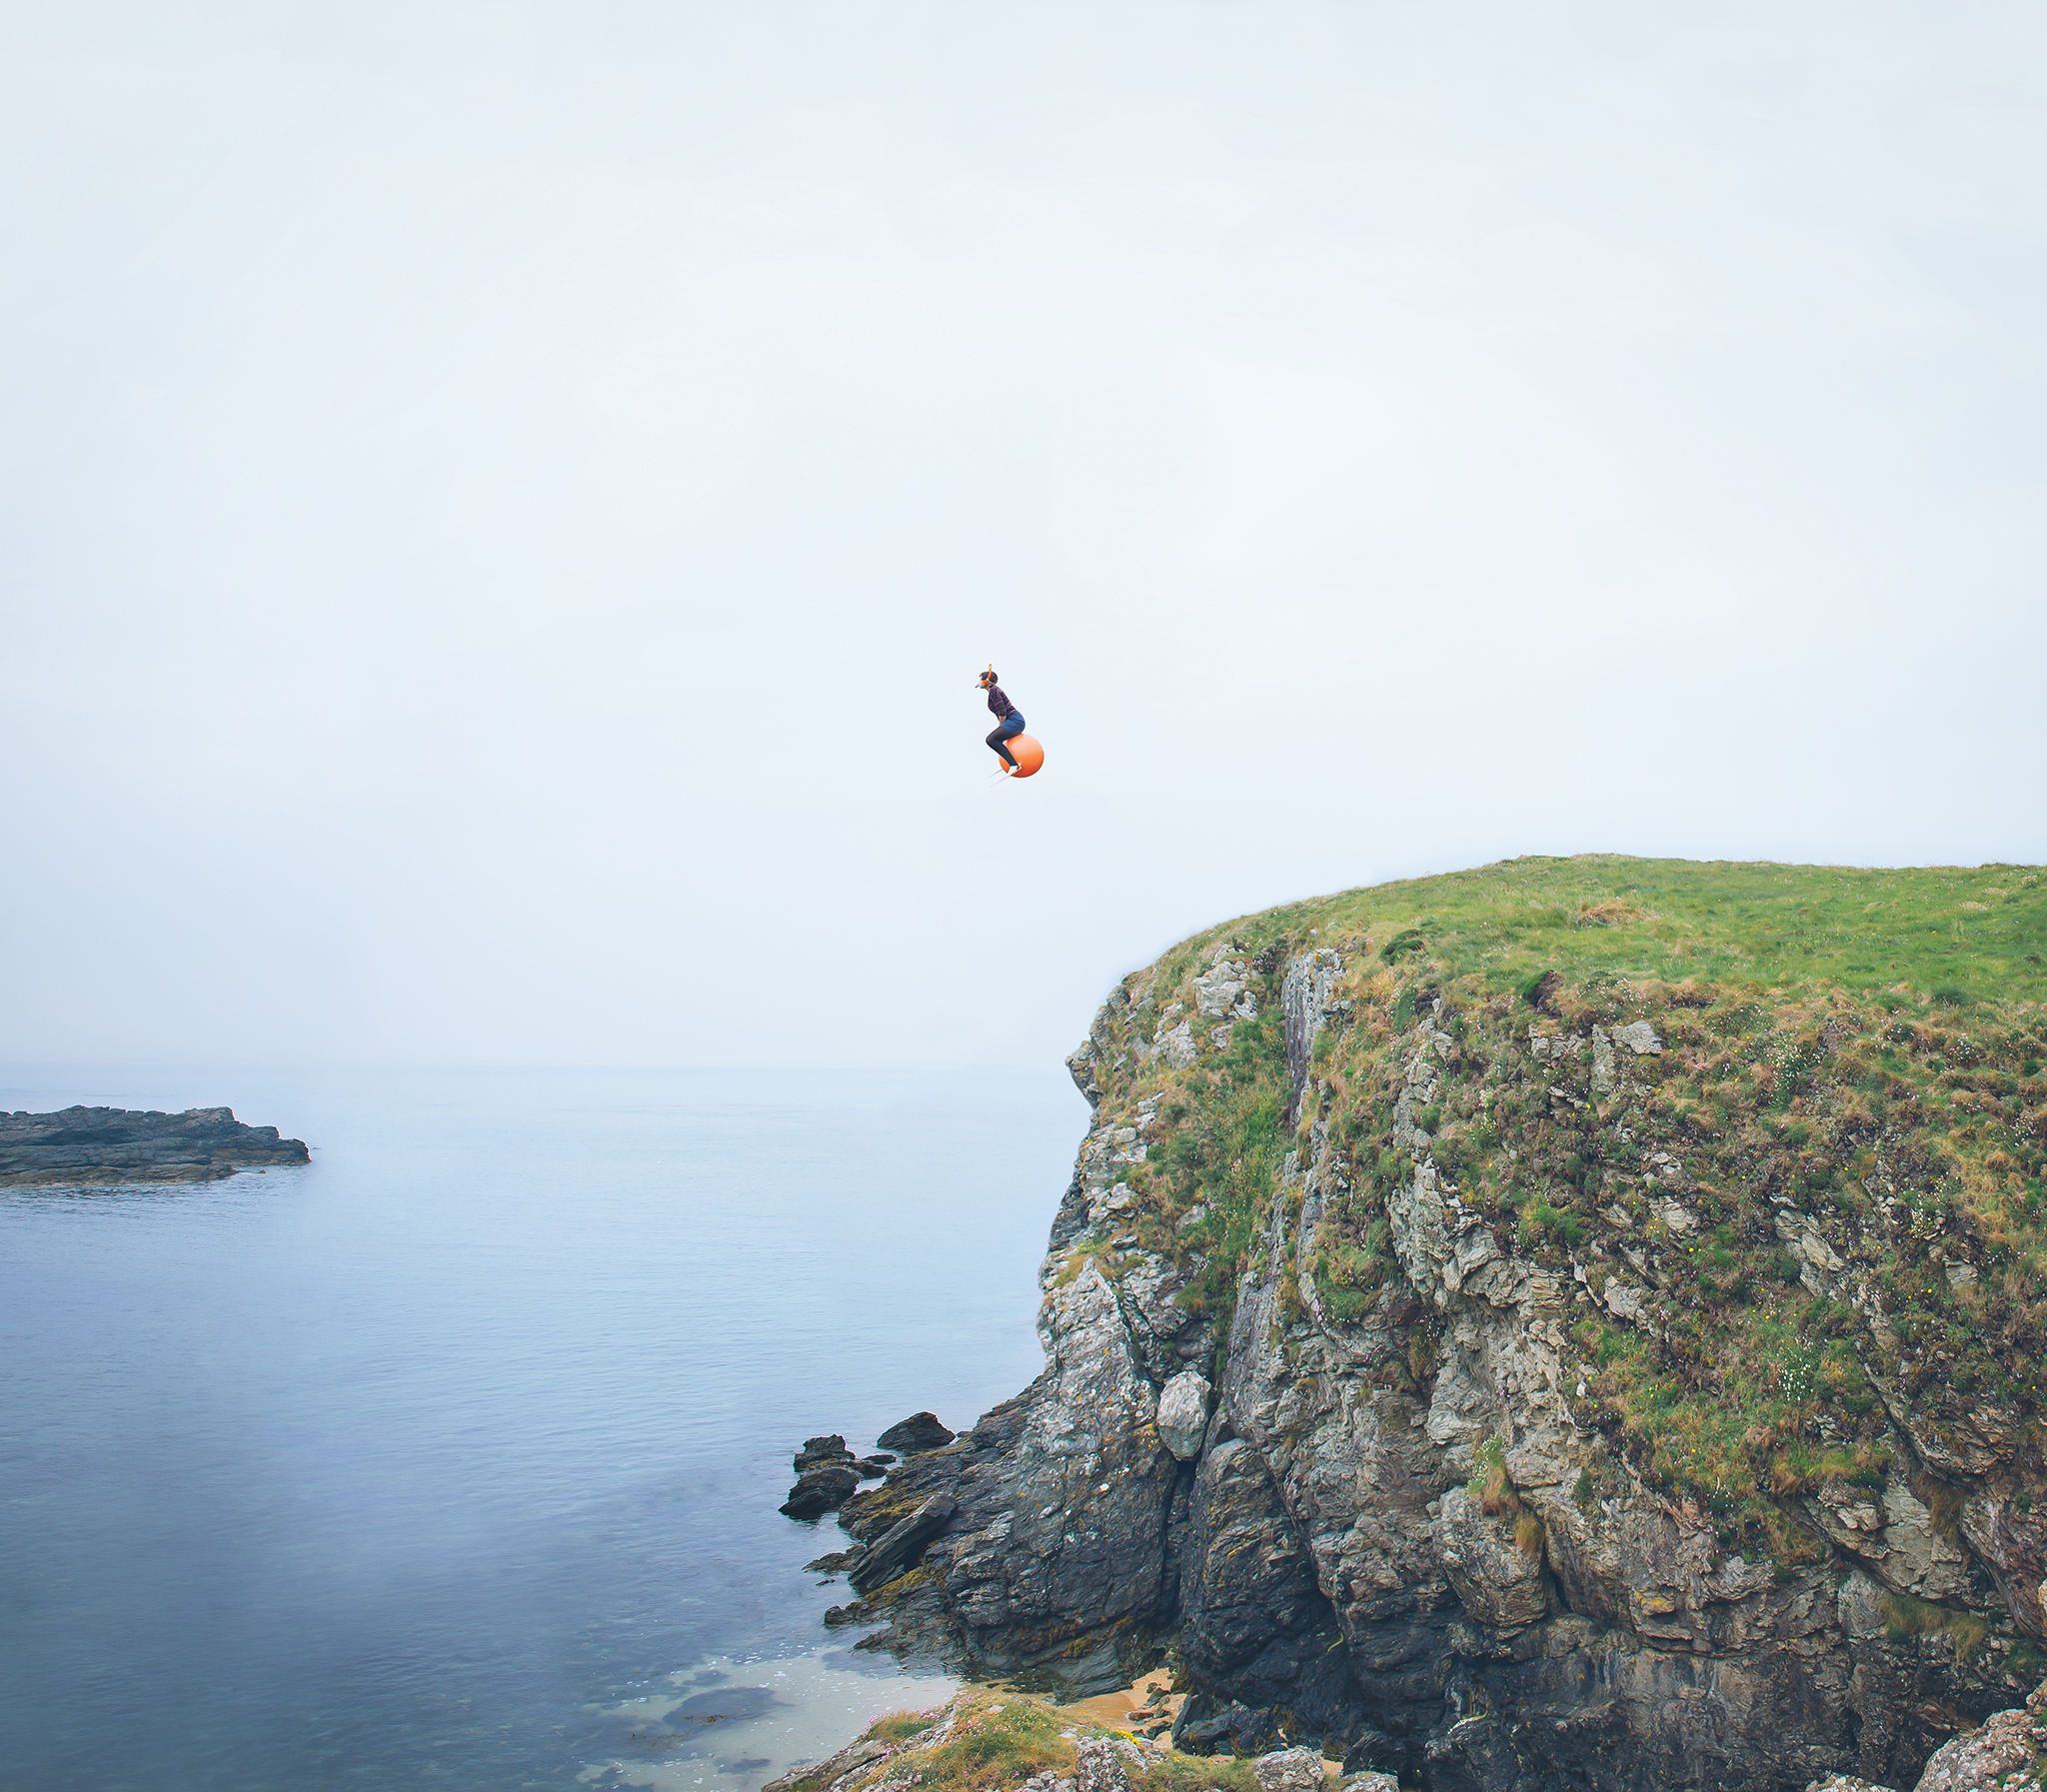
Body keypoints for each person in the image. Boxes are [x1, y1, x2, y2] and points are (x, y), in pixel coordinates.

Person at [977, 666, 1025, 772]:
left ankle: (1014, 765)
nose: (979, 681)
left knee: (991, 739)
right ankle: (1011, 762)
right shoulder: (992, 692)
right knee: (996, 740)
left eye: (980, 678)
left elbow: (1002, 712)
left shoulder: (994, 691)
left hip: (1015, 720)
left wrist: (1000, 727)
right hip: (1015, 721)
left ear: (987, 681)